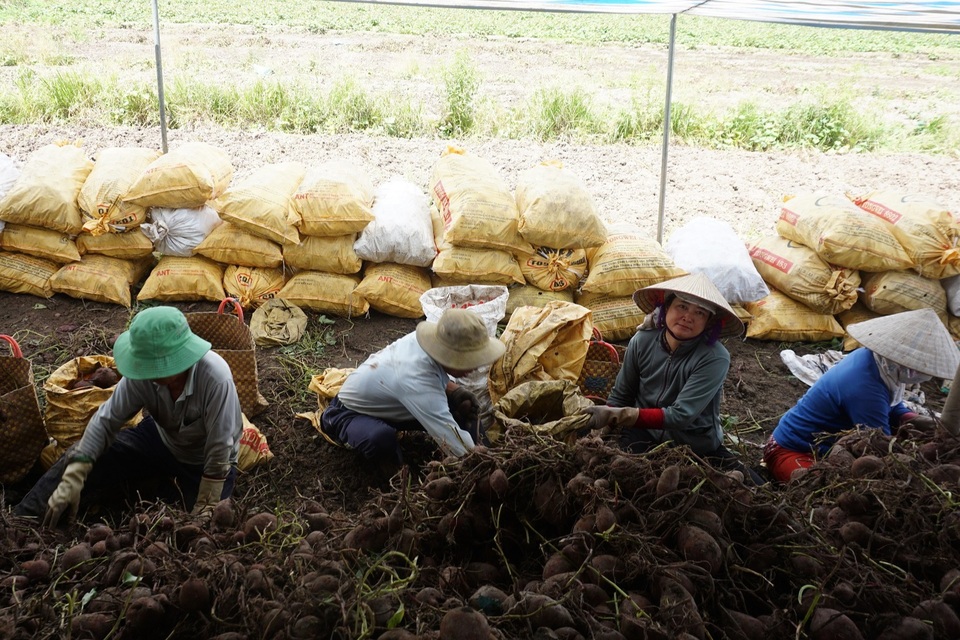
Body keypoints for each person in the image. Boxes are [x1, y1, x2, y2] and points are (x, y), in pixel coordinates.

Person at [15, 306, 243, 526]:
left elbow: (221, 446)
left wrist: (207, 501)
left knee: (200, 525)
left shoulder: (215, 377)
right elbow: (106, 420)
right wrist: (75, 474)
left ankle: (162, 488)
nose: (148, 373)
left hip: (205, 461)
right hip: (160, 440)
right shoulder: (142, 374)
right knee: (79, 455)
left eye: (156, 366)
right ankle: (22, 520)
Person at [581, 272, 762, 482]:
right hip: (644, 433)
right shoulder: (642, 341)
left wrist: (620, 415)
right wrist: (603, 431)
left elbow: (680, 416)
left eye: (700, 313)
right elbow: (622, 395)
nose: (688, 317)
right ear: (666, 307)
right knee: (624, 477)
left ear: (709, 323)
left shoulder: (714, 357)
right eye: (682, 306)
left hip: (696, 445)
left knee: (754, 486)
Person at [763, 308, 959, 482]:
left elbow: (893, 408)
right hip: (793, 450)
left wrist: (933, 425)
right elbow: (878, 446)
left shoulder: (876, 361)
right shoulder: (866, 388)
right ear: (902, 361)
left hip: (830, 446)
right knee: (828, 488)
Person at [320, 308, 505, 468]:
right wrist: (480, 464)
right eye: (471, 361)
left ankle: (488, 450)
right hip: (347, 415)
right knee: (380, 439)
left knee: (463, 404)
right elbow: (450, 438)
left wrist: (454, 390)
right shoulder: (416, 380)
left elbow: (430, 377)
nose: (475, 367)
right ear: (449, 355)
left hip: (391, 401)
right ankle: (394, 478)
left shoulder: (429, 345)